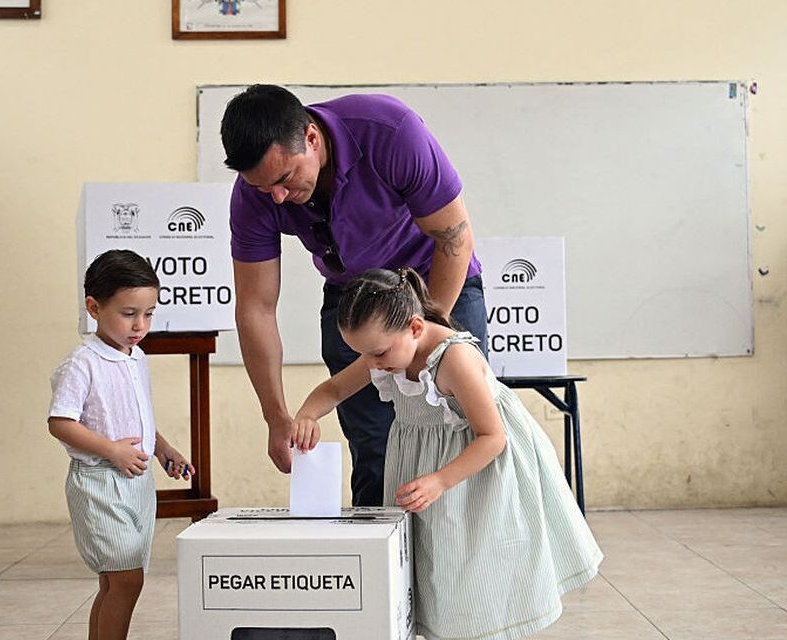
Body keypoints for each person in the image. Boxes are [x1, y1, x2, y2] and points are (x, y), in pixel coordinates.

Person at [291, 268, 602, 640]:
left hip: (476, 470)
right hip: (428, 468)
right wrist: (307, 414)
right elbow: (334, 389)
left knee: (474, 564)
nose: (371, 364)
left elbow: (493, 437)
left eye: (377, 353)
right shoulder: (387, 351)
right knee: (436, 561)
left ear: (415, 327)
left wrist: (440, 481)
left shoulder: (454, 359)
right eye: (363, 354)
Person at [221, 84, 489, 507]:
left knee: (462, 432)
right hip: (355, 300)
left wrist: (425, 336)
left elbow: (454, 238)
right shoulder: (254, 197)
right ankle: (380, 547)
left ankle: (469, 546)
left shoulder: (390, 131)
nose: (277, 197)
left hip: (437, 283)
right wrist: (276, 416)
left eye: (285, 179)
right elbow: (256, 308)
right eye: (262, 188)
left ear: (311, 137)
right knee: (374, 447)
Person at [47, 249, 194, 640]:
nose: (140, 325)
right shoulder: (83, 362)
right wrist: (112, 450)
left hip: (137, 483)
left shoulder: (136, 357)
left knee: (116, 581)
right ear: (94, 307)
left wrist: (163, 449)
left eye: (149, 314)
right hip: (99, 483)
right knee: (127, 580)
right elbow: (60, 423)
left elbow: (137, 415)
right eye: (129, 314)